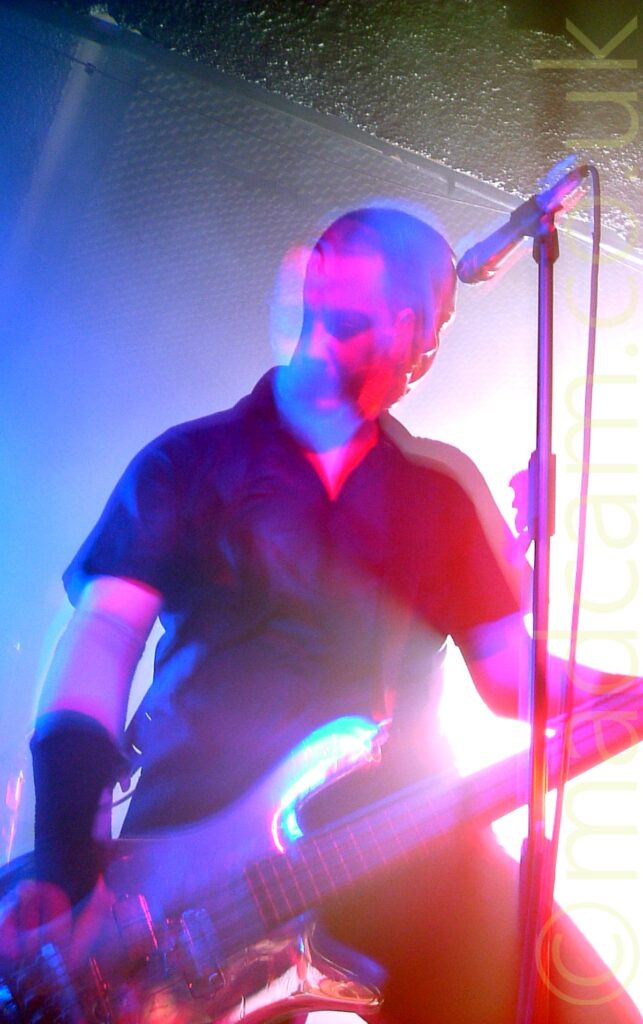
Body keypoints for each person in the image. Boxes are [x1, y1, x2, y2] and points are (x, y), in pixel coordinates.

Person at [0, 207, 640, 1023]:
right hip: (189, 873)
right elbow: (101, 637)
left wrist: (629, 692)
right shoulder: (189, 460)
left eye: (436, 320)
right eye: (407, 303)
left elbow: (515, 679)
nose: (421, 338)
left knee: (577, 1006)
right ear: (318, 278)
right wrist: (65, 861)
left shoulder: (439, 493)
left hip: (399, 846)